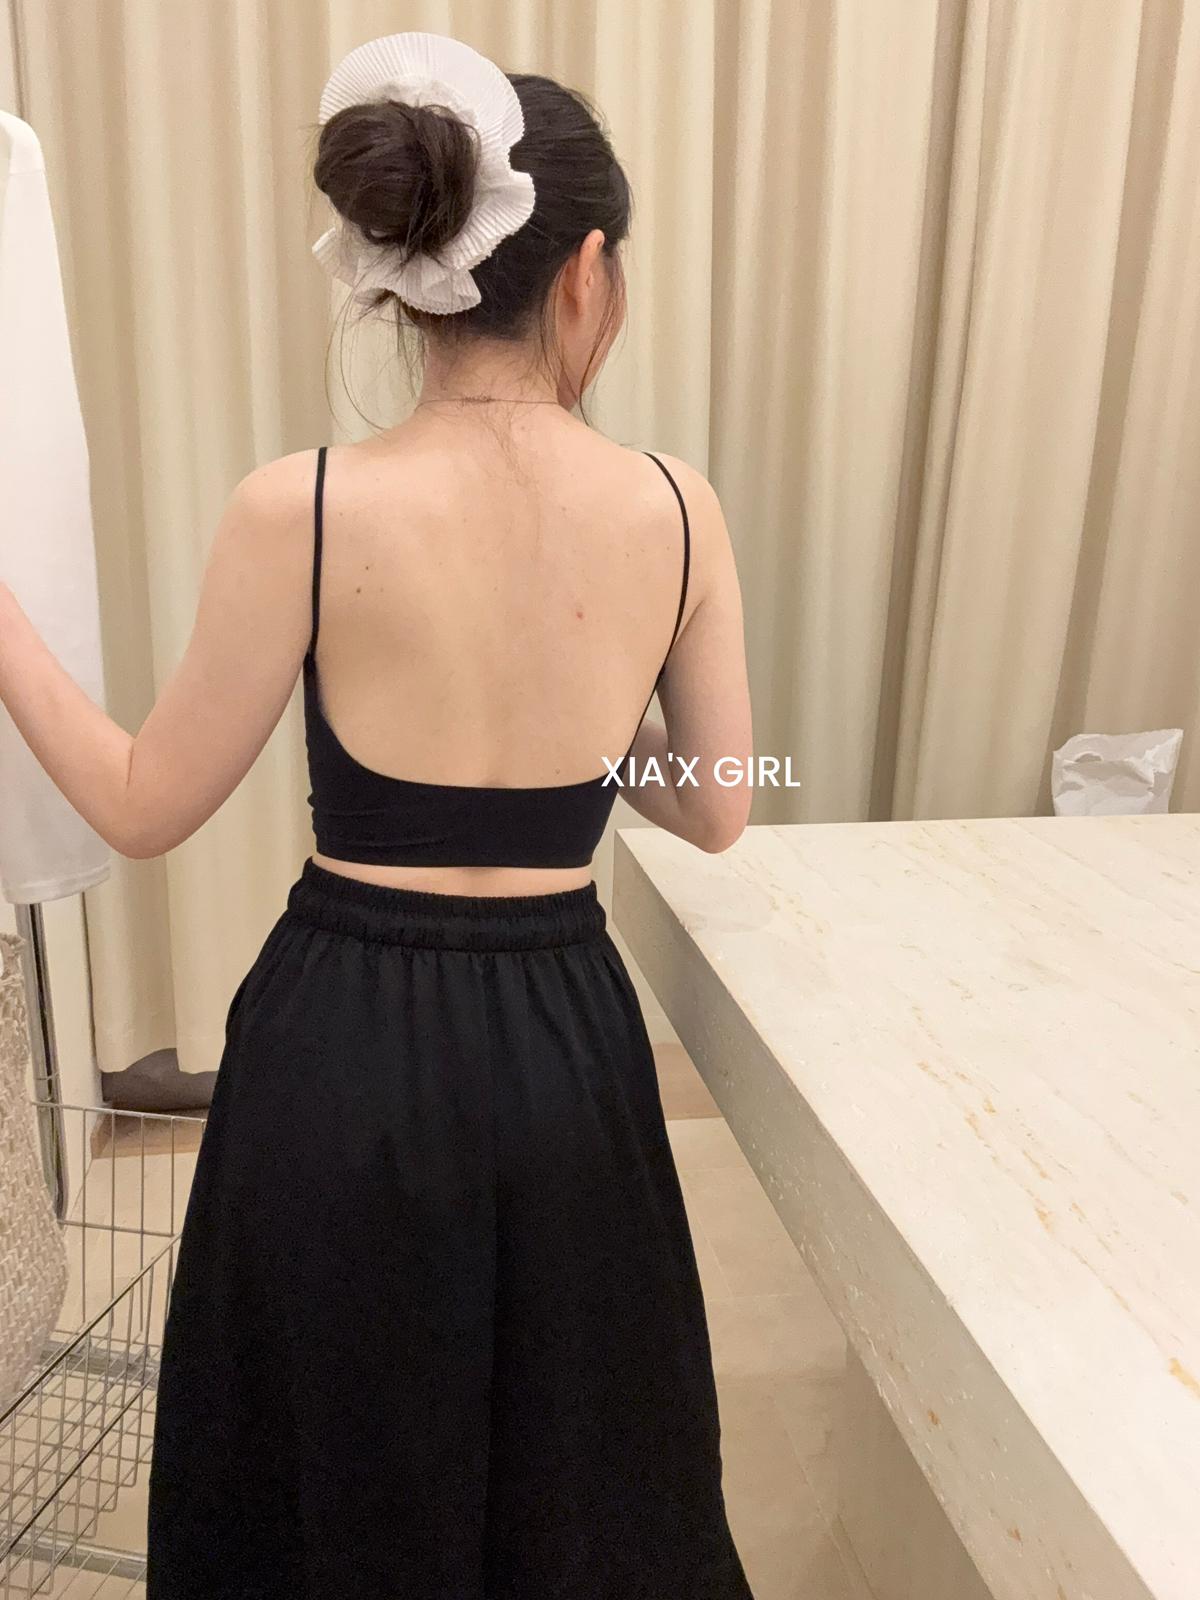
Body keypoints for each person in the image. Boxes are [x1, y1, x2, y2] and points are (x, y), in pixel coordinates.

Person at [0, 31, 755, 1598]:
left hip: (338, 1041)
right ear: (588, 272)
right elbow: (721, 806)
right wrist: (575, 742)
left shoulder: (303, 505)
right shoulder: (678, 507)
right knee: (574, 1462)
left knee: (332, 1466)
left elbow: (141, 804)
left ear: (405, 272)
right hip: (562, 1035)